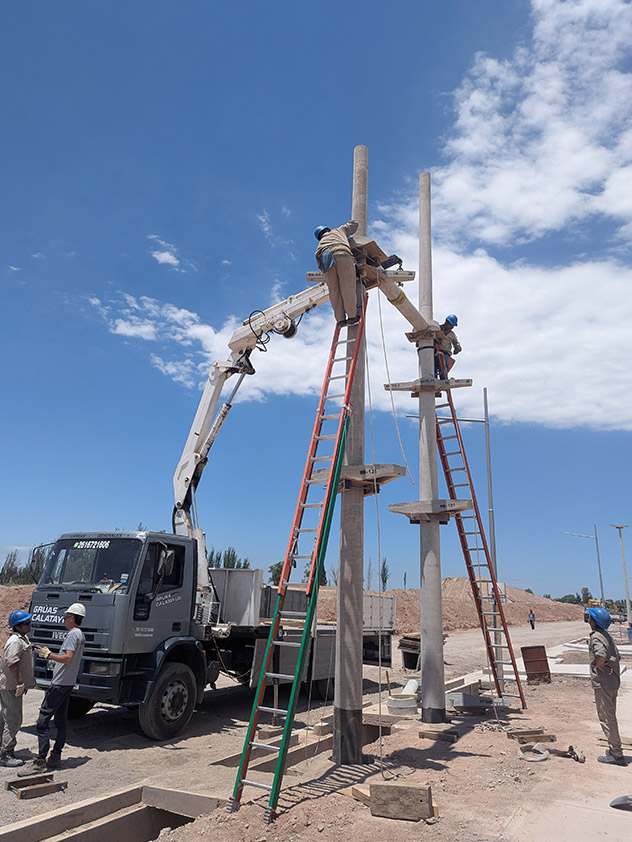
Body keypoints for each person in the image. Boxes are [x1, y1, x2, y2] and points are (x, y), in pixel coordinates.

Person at [19, 603, 86, 774]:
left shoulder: (73, 635)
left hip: (60, 684)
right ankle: (56, 756)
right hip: (68, 683)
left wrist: (49, 655)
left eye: (65, 617)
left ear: (72, 618)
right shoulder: (80, 635)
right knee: (61, 721)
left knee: (42, 722)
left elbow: (68, 658)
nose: (64, 620)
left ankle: (40, 761)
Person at [585, 606, 626, 766]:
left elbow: (600, 655)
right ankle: (614, 749)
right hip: (612, 682)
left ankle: (616, 754)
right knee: (610, 715)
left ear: (594, 622)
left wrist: (600, 665)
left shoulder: (596, 637)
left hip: (603, 683)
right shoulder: (606, 635)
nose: (588, 619)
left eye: (590, 617)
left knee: (607, 718)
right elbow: (617, 656)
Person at [0, 610, 36, 767]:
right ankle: (6, 754)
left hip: (12, 684)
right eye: (26, 623)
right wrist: (20, 683)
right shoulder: (15, 641)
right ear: (18, 627)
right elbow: (12, 663)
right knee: (13, 719)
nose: (29, 625)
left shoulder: (22, 638)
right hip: (11, 685)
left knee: (7, 717)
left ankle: (3, 748)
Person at [314, 221, 361, 326]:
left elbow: (319, 261)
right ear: (327, 229)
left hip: (325, 258)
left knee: (334, 291)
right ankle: (352, 317)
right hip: (341, 253)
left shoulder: (320, 244)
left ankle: (340, 320)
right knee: (347, 286)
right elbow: (355, 224)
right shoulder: (338, 230)